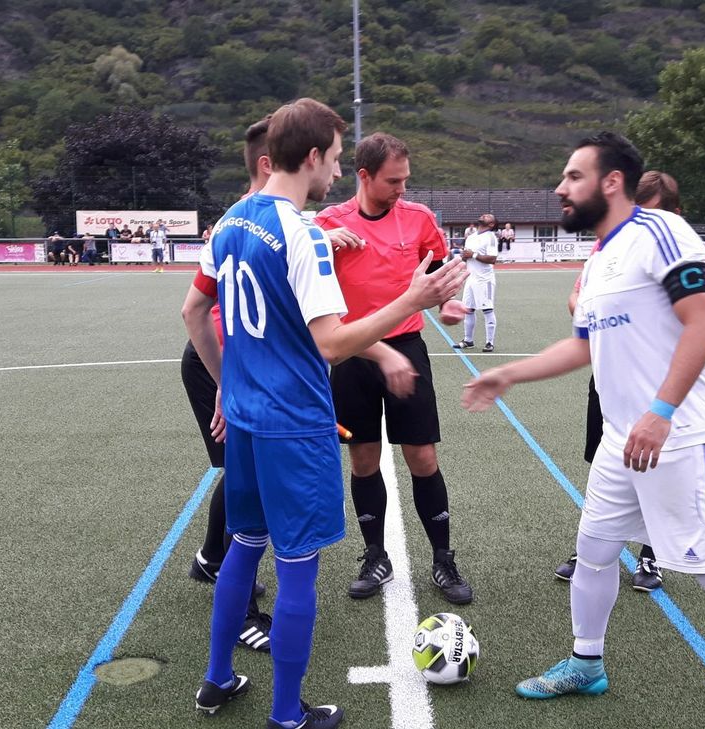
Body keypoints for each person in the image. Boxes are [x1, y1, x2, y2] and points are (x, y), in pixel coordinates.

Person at [462, 132, 705, 728]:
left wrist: (660, 412)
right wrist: (508, 374)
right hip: (623, 439)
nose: (560, 189)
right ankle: (586, 663)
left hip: (689, 435)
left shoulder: (663, 234)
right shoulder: (598, 259)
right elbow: (582, 346)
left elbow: (704, 324)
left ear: (610, 182)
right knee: (593, 552)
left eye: (572, 177)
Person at [189, 98, 466, 729]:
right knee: (295, 571)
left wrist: (230, 393)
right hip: (294, 424)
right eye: (337, 159)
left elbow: (192, 313)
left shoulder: (232, 220)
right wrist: (413, 299)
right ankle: (288, 713)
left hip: (249, 418)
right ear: (312, 157)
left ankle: (217, 679)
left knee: (243, 545)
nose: (338, 173)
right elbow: (330, 343)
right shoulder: (303, 234)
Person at [314, 132, 474, 605]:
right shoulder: (329, 222)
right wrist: (319, 241)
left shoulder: (420, 219)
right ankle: (375, 555)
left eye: (406, 179)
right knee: (363, 459)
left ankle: (443, 560)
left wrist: (451, 303)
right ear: (363, 176)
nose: (403, 189)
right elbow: (302, 277)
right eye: (393, 181)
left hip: (407, 348)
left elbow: (444, 275)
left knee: (422, 457)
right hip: (351, 353)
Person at [554, 169, 705, 593]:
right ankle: (593, 548)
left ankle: (652, 554)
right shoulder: (608, 247)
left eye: (656, 212)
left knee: (654, 469)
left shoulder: (685, 252)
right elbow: (576, 299)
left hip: (661, 389)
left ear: (676, 214)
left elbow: (700, 321)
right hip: (611, 383)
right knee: (604, 465)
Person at [455, 213, 499, 352]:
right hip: (471, 278)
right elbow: (466, 257)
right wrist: (464, 256)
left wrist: (473, 255)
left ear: (491, 224)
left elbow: (492, 258)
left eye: (488, 216)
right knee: (468, 309)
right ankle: (468, 340)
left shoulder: (491, 237)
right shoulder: (471, 237)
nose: (484, 215)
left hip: (484, 280)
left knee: (487, 309)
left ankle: (489, 342)